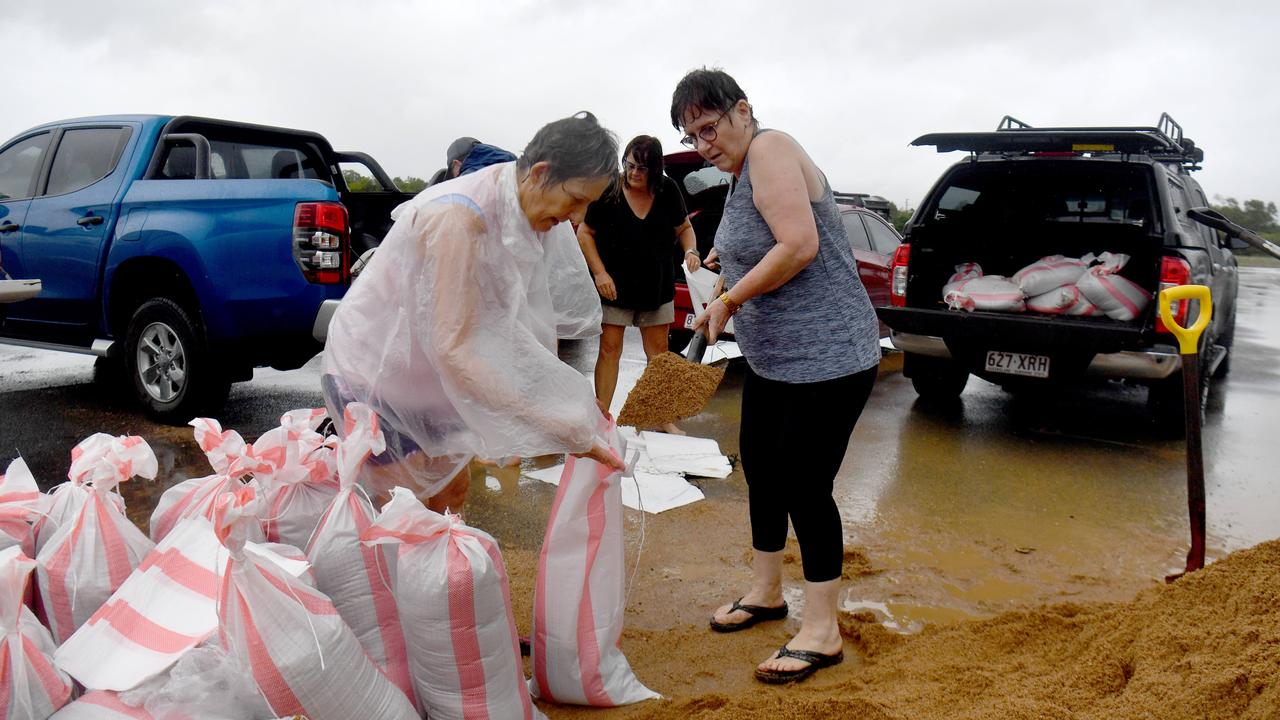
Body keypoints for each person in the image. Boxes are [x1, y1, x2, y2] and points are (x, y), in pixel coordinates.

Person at [671, 68, 881, 684]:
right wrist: (718, 260)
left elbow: (797, 244)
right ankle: (766, 591)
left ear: (743, 110)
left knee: (803, 482)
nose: (705, 142)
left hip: (829, 356)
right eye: (692, 133)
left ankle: (822, 630)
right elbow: (759, 237)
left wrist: (728, 299)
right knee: (760, 464)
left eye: (711, 127)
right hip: (774, 359)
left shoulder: (770, 148)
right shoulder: (739, 175)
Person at [322, 112, 626, 513]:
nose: (577, 217)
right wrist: (554, 420)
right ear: (539, 172)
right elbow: (454, 349)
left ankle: (442, 573)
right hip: (379, 378)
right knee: (397, 512)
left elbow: (523, 325)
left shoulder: (525, 210)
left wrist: (572, 402)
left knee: (450, 495)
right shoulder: (457, 221)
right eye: (576, 200)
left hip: (431, 385)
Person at [576, 135, 700, 432]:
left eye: (642, 169)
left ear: (655, 170)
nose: (633, 173)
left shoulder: (668, 189)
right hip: (614, 287)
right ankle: (602, 417)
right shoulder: (610, 190)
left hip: (656, 286)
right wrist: (600, 273)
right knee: (609, 349)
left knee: (658, 353)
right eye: (630, 165)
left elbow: (684, 227)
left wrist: (691, 250)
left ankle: (660, 417)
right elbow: (585, 232)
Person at [429, 136, 518, 186]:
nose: (455, 178)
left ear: (456, 164)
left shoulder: (466, 180)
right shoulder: (514, 167)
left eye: (453, 174)